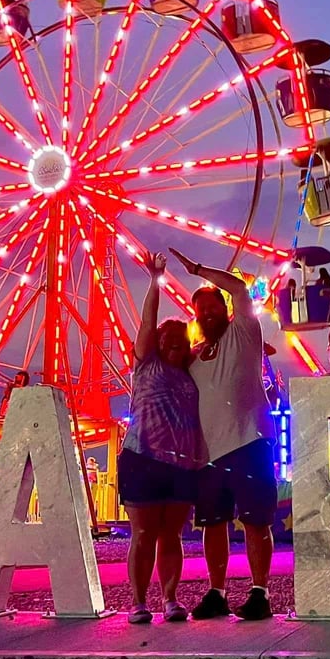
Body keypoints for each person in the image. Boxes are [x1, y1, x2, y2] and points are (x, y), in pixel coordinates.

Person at [169, 247, 278, 621]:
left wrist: (197, 268)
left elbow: (240, 289)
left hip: (250, 441)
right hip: (208, 453)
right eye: (199, 310)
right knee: (212, 525)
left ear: (225, 307)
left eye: (211, 306)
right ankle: (217, 592)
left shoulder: (244, 333)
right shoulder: (195, 356)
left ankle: (259, 591)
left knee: (255, 521)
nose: (205, 313)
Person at [119, 251, 204, 624]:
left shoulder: (192, 373)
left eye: (180, 339)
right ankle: (138, 602)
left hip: (181, 464)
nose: (174, 342)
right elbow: (147, 319)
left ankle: (170, 598)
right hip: (142, 458)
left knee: (172, 535)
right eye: (168, 337)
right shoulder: (146, 362)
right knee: (143, 533)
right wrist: (155, 278)